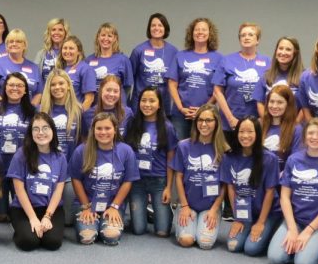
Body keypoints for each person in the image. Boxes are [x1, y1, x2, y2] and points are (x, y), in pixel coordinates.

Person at [268, 117, 318, 264]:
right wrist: (291, 228)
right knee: (275, 259)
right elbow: (284, 197)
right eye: (310, 133)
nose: (314, 137)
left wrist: (308, 231)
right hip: (295, 220)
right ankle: (302, 246)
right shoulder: (293, 159)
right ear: (304, 137)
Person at [70, 112, 139, 245]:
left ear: (115, 130)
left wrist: (114, 206)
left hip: (113, 203)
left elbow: (128, 181)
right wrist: (86, 206)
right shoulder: (81, 150)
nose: (103, 132)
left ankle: (104, 223)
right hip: (87, 203)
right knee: (87, 238)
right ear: (93, 130)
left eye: (107, 128)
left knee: (111, 236)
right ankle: (92, 223)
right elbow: (76, 179)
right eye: (99, 128)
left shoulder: (126, 151)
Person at [7, 113, 68, 251]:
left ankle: (40, 228)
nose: (41, 133)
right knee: (28, 242)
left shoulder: (60, 157)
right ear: (31, 133)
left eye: (45, 128)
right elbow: (19, 190)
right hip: (24, 208)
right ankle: (19, 227)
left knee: (53, 243)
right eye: (36, 129)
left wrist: (47, 217)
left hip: (50, 208)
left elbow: (58, 191)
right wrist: (33, 218)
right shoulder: (21, 154)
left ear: (53, 131)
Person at [170, 104, 228, 249]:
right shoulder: (184, 146)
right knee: (186, 240)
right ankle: (187, 224)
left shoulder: (224, 150)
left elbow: (225, 185)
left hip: (210, 206)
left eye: (209, 120)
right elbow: (178, 177)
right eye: (200, 120)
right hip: (188, 204)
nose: (204, 124)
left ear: (216, 123)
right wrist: (184, 206)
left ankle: (200, 225)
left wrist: (215, 209)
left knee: (205, 243)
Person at [125, 87, 178, 236]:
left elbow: (171, 158)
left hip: (159, 181)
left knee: (162, 232)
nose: (147, 104)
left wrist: (169, 187)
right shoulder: (133, 124)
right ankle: (143, 213)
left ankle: (164, 213)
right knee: (138, 230)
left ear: (160, 104)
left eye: (152, 101)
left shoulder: (167, 127)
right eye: (143, 100)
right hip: (137, 181)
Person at [225, 116, 281, 256]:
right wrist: (238, 218)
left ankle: (273, 228)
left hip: (268, 212)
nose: (245, 136)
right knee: (234, 246)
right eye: (241, 131)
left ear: (257, 133)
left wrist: (261, 222)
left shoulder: (269, 158)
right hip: (245, 211)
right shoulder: (229, 157)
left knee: (252, 249)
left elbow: (270, 192)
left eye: (250, 131)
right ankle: (253, 226)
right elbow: (231, 188)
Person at [0, 72, 36, 221]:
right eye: (11, 85)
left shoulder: (33, 111)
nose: (15, 88)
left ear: (25, 90)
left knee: (19, 213)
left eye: (19, 85)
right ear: (4, 87)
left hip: (22, 168)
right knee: (1, 215)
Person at [38, 69, 83, 225]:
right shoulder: (41, 111)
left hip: (70, 172)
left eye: (61, 83)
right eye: (53, 84)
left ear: (69, 86)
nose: (57, 87)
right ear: (48, 87)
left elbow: (83, 143)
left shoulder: (79, 111)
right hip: (46, 169)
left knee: (68, 221)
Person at [166, 18, 222, 141]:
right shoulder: (180, 56)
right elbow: (172, 84)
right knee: (180, 148)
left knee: (205, 148)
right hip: (181, 115)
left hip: (207, 114)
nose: (200, 32)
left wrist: (205, 108)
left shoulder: (218, 58)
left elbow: (218, 88)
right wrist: (181, 108)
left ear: (210, 33)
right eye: (197, 29)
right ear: (191, 33)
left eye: (204, 29)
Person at [213, 22, 271, 138]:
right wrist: (231, 119)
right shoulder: (227, 60)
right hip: (230, 123)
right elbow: (217, 91)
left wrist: (263, 119)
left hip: (258, 123)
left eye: (250, 35)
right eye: (243, 35)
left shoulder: (268, 62)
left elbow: (272, 93)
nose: (246, 37)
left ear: (257, 40)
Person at [130, 13, 178, 117]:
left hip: (163, 104)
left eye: (160, 25)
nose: (156, 28)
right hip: (141, 103)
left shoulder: (173, 52)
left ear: (165, 28)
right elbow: (129, 79)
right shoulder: (139, 51)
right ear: (149, 28)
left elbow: (174, 80)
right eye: (153, 25)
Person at [0, 29, 42, 103]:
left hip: (27, 113)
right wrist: (5, 107)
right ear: (7, 45)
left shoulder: (34, 67)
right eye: (11, 41)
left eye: (18, 41)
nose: (14, 44)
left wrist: (30, 110)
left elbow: (38, 93)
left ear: (25, 45)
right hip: (3, 112)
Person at [86, 23, 134, 106]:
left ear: (115, 38)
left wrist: (121, 104)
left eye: (109, 36)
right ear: (98, 37)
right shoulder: (88, 60)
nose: (106, 38)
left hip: (116, 108)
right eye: (103, 35)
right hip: (95, 108)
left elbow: (128, 88)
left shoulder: (123, 60)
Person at [261, 85, 303, 171]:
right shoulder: (260, 125)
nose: (274, 106)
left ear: (288, 105)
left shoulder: (297, 129)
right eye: (271, 101)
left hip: (283, 179)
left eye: (280, 102)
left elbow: (296, 161)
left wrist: (282, 177)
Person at [253, 37, 304, 102]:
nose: (283, 53)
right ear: (276, 51)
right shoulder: (266, 76)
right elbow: (260, 103)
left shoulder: (303, 77)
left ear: (295, 53)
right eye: (280, 48)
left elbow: (305, 107)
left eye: (288, 49)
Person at [56, 35, 96, 109]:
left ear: (79, 52)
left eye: (71, 48)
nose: (67, 51)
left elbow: (89, 99)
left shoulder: (86, 69)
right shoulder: (61, 70)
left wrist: (78, 116)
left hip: (76, 116)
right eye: (65, 48)